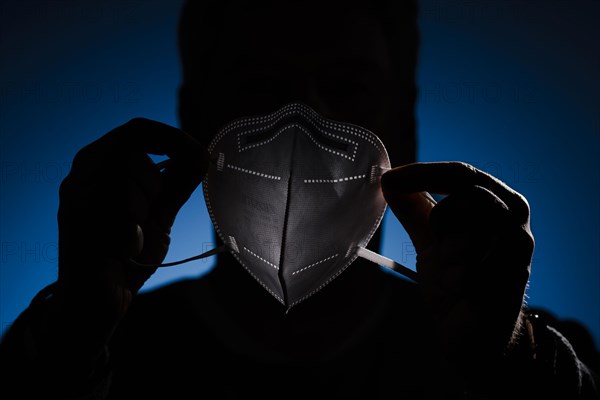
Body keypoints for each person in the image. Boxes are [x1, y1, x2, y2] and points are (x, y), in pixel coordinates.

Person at [1, 0, 599, 399]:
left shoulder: (506, 353)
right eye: (259, 88)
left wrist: (512, 359)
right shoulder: (105, 350)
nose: (304, 123)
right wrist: (69, 339)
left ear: (405, 125)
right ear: (193, 117)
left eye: (348, 88)